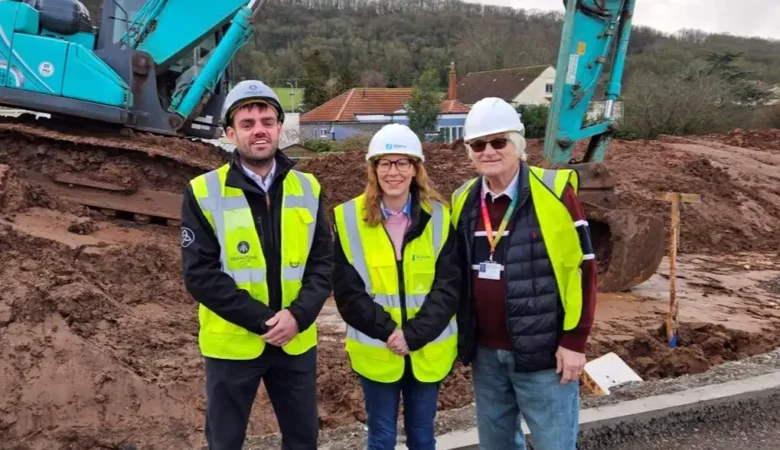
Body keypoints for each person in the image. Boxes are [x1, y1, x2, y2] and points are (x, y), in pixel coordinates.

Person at [180, 80, 333, 450]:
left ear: (280, 127)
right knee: (226, 441)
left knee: (302, 439)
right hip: (233, 346)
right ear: (231, 133)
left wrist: (297, 316)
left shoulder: (308, 188)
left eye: (266, 120)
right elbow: (199, 275)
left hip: (295, 342)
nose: (259, 129)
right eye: (247, 123)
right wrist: (263, 320)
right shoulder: (203, 191)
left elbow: (323, 264)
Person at [449, 97, 598, 450]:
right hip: (486, 355)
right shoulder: (462, 200)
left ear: (517, 144)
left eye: (498, 142)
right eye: (478, 145)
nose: (489, 151)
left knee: (554, 444)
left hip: (544, 354)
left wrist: (575, 342)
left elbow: (584, 268)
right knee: (496, 445)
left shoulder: (555, 191)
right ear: (470, 152)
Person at [331, 123, 461, 450]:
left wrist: (413, 335)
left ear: (416, 169)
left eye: (403, 162)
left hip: (427, 350)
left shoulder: (441, 218)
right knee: (381, 438)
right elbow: (348, 293)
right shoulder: (348, 219)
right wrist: (389, 331)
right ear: (373, 169)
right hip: (378, 351)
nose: (394, 172)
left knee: (421, 436)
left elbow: (448, 289)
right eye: (385, 163)